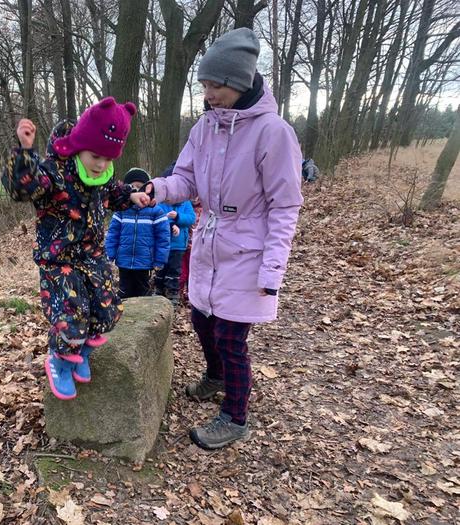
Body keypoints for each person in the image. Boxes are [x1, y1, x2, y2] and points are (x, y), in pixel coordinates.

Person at [144, 28, 303, 449]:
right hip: (209, 244)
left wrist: (273, 268)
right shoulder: (205, 127)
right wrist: (156, 190)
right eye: (205, 85)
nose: (208, 93)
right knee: (201, 320)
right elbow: (185, 179)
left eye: (216, 85)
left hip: (249, 250)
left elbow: (285, 206)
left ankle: (235, 416)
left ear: (239, 82)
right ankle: (216, 378)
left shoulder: (273, 132)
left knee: (231, 338)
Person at [3, 97, 150, 401]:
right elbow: (23, 188)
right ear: (80, 146)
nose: (101, 164)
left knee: (105, 307)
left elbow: (112, 192)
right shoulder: (54, 173)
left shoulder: (101, 176)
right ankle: (59, 360)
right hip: (59, 259)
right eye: (95, 156)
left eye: (108, 159)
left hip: (91, 255)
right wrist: (25, 153)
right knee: (71, 313)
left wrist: (131, 196)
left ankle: (80, 351)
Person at [105, 168, 171, 299]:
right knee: (124, 291)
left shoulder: (156, 212)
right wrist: (110, 254)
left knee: (143, 291)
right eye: (132, 187)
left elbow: (163, 238)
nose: (136, 190)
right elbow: (113, 234)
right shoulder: (121, 211)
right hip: (124, 260)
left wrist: (159, 259)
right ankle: (125, 310)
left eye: (140, 187)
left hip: (144, 261)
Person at [155, 163, 196, 305]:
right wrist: (170, 223)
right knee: (161, 268)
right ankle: (158, 290)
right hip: (162, 244)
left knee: (174, 269)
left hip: (178, 245)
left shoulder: (185, 203)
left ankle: (173, 293)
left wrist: (178, 217)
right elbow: (157, 217)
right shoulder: (161, 203)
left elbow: (191, 218)